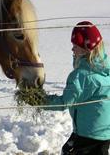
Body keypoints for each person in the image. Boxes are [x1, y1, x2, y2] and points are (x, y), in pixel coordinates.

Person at [28, 21, 110, 154]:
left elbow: (64, 103)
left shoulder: (81, 76)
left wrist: (38, 100)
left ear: (86, 48)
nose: (72, 49)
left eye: (75, 46)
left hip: (87, 135)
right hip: (104, 133)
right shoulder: (105, 69)